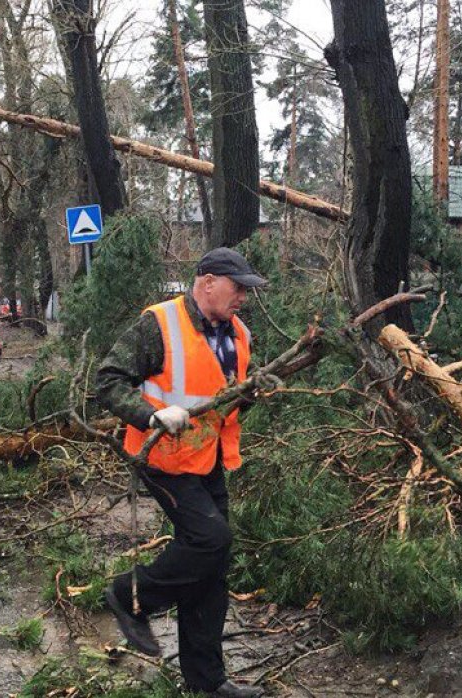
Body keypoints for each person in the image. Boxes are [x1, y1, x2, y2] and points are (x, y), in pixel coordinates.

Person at [94, 247, 268, 698]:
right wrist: (150, 416)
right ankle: (130, 594)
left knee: (213, 565)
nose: (243, 298)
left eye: (247, 290)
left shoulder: (239, 334)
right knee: (212, 540)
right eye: (238, 288)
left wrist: (253, 392)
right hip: (164, 459)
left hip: (208, 458)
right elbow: (108, 379)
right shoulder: (160, 324)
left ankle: (206, 680)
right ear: (207, 281)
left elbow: (227, 396)